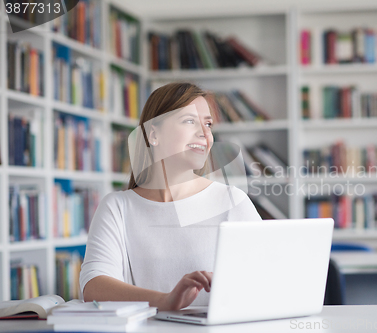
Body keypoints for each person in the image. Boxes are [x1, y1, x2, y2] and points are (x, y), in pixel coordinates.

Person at [80, 82, 261, 311]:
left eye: (208, 124)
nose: (205, 134)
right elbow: (93, 286)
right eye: (189, 121)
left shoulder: (232, 201)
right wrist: (165, 301)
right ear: (154, 134)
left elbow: (265, 280)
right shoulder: (117, 207)